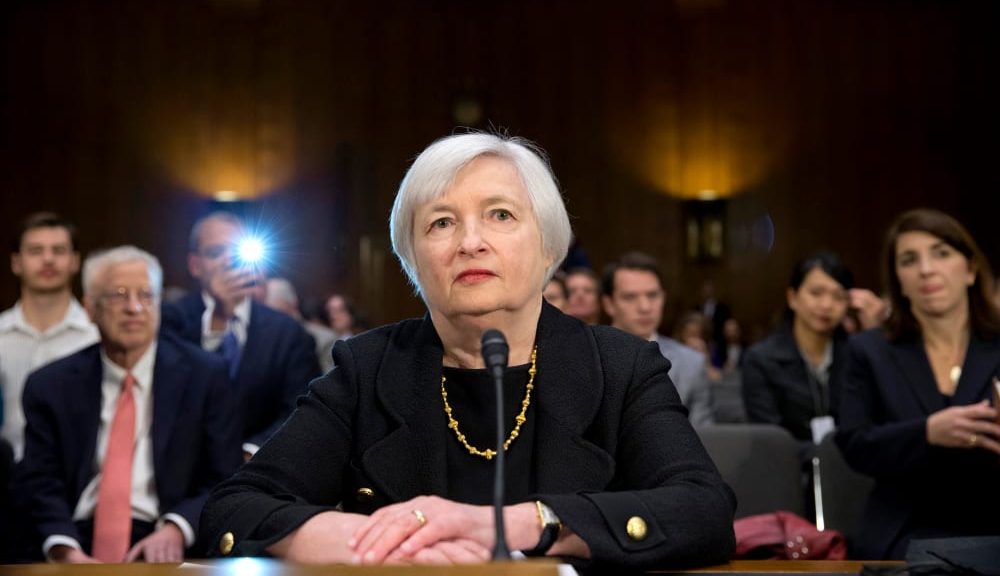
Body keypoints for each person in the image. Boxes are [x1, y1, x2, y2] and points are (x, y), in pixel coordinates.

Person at [200, 131, 736, 569]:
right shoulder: (366, 369)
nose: (469, 241)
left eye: (500, 214)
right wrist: (355, 539)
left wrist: (520, 524)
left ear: (549, 244)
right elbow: (233, 508)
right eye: (441, 223)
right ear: (413, 262)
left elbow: (704, 511)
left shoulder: (621, 365)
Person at [14, 246, 242, 563]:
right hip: (74, 536)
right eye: (119, 295)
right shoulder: (50, 386)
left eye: (146, 295)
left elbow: (224, 477)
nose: (134, 307)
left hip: (169, 537)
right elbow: (39, 481)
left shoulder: (205, 377)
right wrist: (64, 549)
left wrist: (177, 529)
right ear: (90, 308)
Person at [836, 208, 1000, 559]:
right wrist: (926, 432)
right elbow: (855, 443)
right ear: (898, 281)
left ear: (970, 270)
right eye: (909, 260)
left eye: (941, 253)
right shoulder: (868, 350)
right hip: (906, 526)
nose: (926, 269)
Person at [161, 212, 321, 459]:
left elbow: (301, 407)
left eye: (235, 252)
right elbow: (168, 393)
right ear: (195, 265)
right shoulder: (169, 319)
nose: (228, 262)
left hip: (259, 466)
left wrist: (251, 452)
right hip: (181, 466)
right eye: (215, 253)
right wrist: (218, 319)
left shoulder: (287, 332)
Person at [741, 251, 857, 466]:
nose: (826, 305)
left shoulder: (856, 355)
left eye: (838, 296)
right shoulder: (761, 360)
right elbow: (771, 441)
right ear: (792, 298)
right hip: (786, 474)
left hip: (848, 476)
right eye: (816, 293)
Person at [1, 212, 99, 461]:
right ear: (16, 262)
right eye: (35, 251)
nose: (48, 259)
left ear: (75, 261)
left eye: (58, 250)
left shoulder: (97, 337)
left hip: (72, 477)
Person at [601, 252, 714, 428]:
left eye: (652, 295)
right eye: (630, 297)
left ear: (663, 298)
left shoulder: (692, 363)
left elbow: (704, 438)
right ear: (609, 304)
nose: (645, 307)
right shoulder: (586, 359)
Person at [265, 277, 339, 374]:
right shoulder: (265, 343)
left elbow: (330, 384)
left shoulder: (325, 339)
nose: (273, 318)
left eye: (277, 312)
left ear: (294, 305)